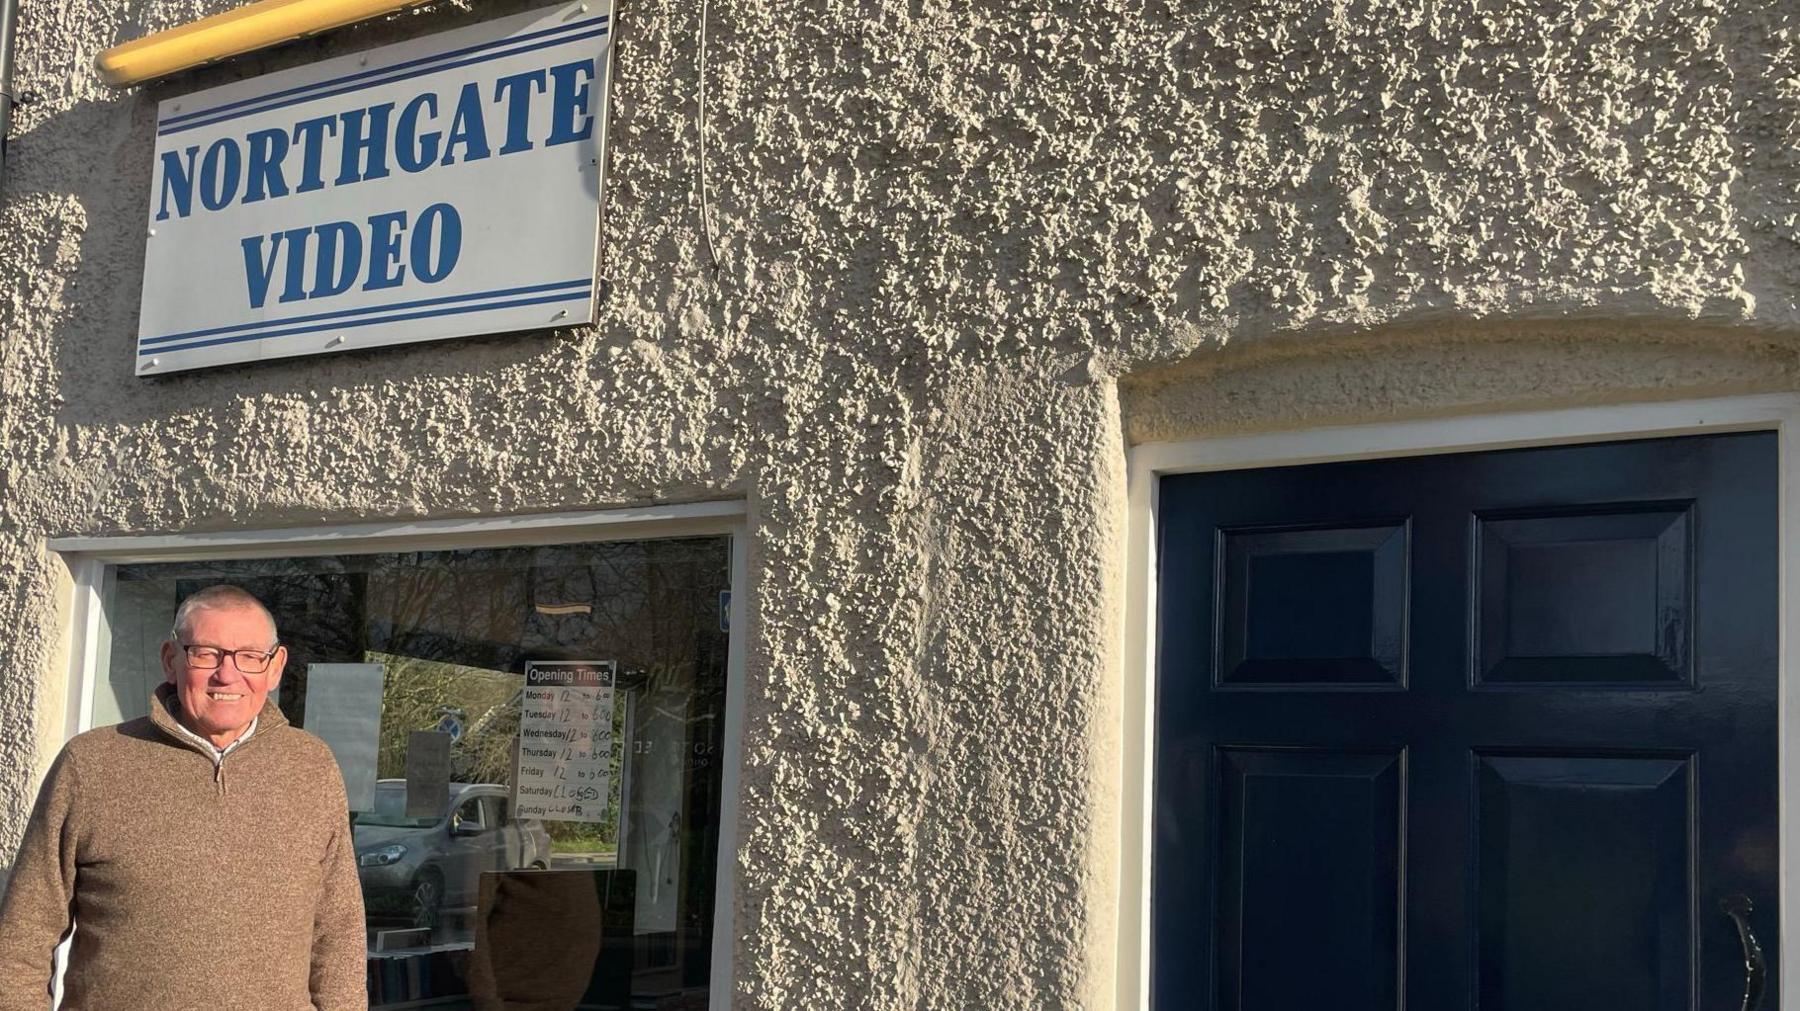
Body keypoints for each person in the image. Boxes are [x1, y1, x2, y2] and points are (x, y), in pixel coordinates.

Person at [0, 585, 366, 1010]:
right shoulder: (91, 764)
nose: (227, 675)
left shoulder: (311, 766)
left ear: (275, 667)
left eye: (249, 656)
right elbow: (24, 933)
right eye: (206, 653)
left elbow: (338, 932)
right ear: (171, 660)